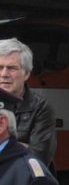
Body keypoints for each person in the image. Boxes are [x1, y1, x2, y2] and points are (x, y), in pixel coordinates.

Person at [0, 38, 57, 167]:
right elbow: (31, 150)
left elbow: (40, 156)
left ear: (26, 74)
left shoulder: (41, 108)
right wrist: (22, 146)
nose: (4, 74)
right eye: (0, 67)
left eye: (12, 68)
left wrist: (4, 144)